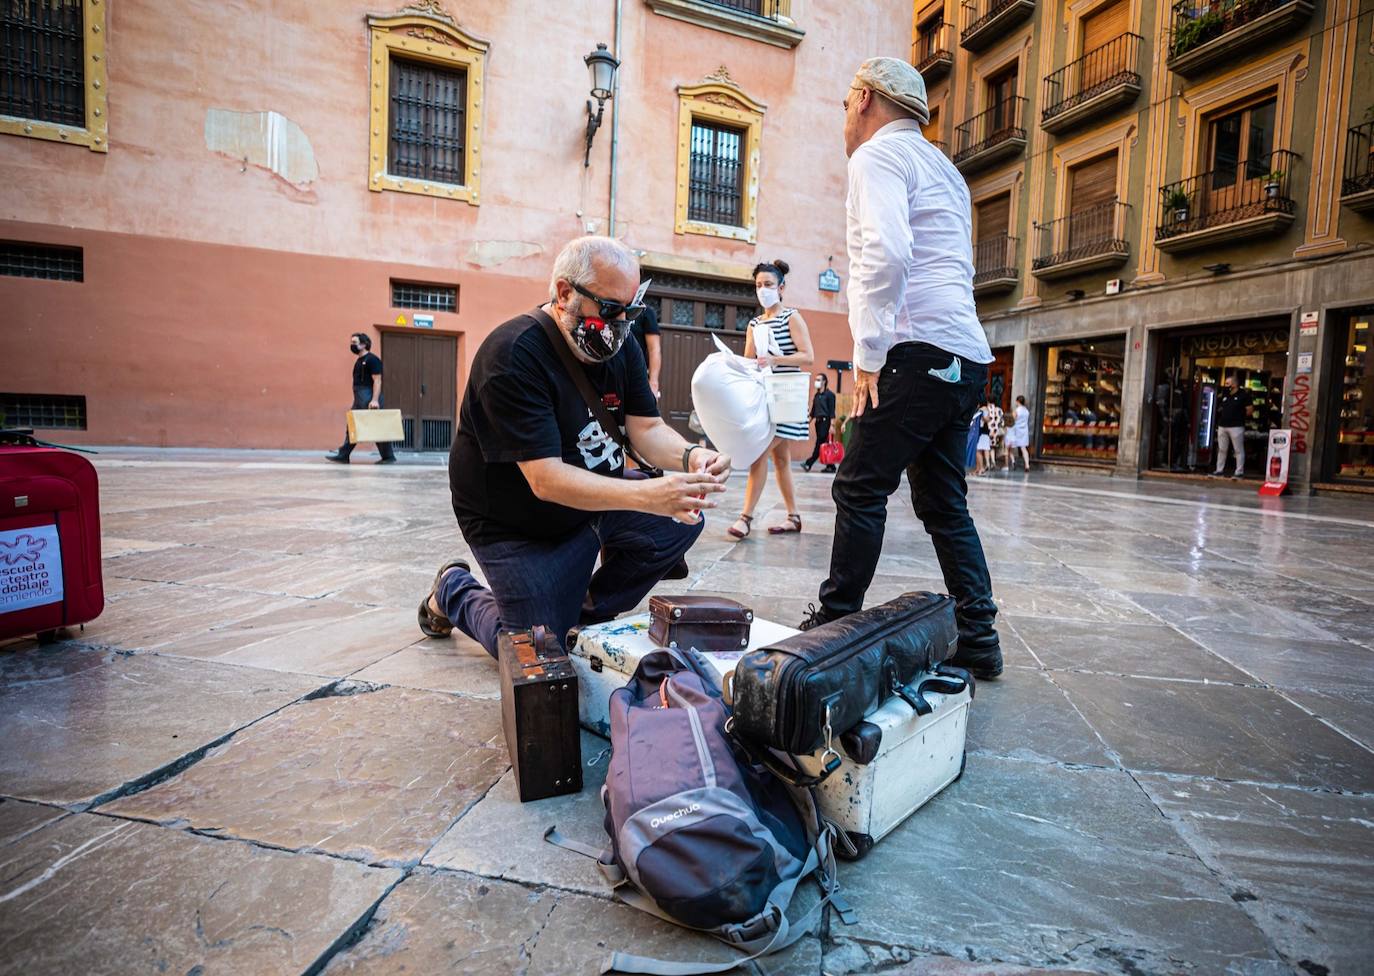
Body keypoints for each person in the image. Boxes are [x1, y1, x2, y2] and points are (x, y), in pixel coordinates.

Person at [416, 236, 731, 658]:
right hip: (513, 523)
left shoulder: (620, 345)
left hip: (590, 502)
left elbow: (647, 428)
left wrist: (693, 456)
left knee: (681, 521)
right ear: (565, 292)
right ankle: (455, 590)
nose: (622, 323)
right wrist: (647, 495)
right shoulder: (512, 353)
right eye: (610, 309)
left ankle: (577, 618)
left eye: (631, 310)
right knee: (532, 653)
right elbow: (545, 479)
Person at [803, 57, 1002, 681]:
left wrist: (868, 356)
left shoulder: (876, 159)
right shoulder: (946, 170)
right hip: (965, 355)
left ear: (864, 98)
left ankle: (832, 633)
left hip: (915, 351)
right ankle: (979, 638)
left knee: (860, 486)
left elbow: (885, 255)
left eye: (843, 103)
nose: (842, 116)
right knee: (944, 502)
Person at [727, 260, 815, 539]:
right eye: (758, 285)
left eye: (768, 284)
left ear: (781, 287)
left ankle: (745, 518)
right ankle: (794, 516)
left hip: (787, 394)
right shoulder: (754, 324)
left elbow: (808, 356)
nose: (763, 290)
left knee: (759, 454)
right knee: (781, 460)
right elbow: (750, 361)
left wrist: (776, 359)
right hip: (765, 396)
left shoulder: (792, 317)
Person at [326, 333, 396, 464]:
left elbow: (377, 380)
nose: (352, 345)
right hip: (359, 398)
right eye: (351, 342)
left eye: (354, 342)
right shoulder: (359, 360)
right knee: (353, 425)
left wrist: (374, 400)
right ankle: (344, 454)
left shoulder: (372, 360)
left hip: (369, 397)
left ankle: (388, 456)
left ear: (363, 344)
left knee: (377, 427)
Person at [1212, 375, 1246, 479]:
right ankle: (1219, 470)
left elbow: (1249, 410)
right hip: (1223, 425)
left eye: (1228, 383)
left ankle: (1239, 471)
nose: (1226, 386)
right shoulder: (1225, 395)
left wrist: (1239, 416)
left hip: (1236, 426)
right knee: (1222, 449)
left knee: (1238, 449)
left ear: (1234, 384)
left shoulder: (1243, 395)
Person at [802, 373, 837, 473]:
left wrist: (832, 425)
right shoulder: (817, 395)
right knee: (825, 444)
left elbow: (832, 411)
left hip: (826, 422)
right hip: (818, 423)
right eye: (816, 379)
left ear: (824, 382)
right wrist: (806, 424)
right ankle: (831, 466)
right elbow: (813, 412)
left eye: (818, 380)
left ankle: (809, 463)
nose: (816, 381)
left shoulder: (830, 395)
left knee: (820, 444)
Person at [630, 301, 663, 398]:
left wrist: (653, 384)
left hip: (636, 376)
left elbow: (654, 349)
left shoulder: (645, 311)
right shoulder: (613, 308)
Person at [1004, 394, 1031, 471]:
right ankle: (1027, 465)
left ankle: (1012, 461)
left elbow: (1012, 421)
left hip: (1016, 431)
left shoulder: (1017, 411)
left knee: (1010, 448)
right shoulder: (1026, 411)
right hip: (1024, 430)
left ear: (1017, 401)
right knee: (1023, 448)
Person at [974, 404, 993, 476]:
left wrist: (981, 414)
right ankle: (978, 469)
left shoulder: (984, 408)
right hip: (979, 432)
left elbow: (987, 419)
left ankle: (981, 468)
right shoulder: (980, 408)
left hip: (982, 432)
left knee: (978, 450)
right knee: (977, 451)